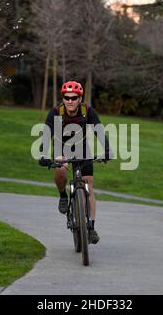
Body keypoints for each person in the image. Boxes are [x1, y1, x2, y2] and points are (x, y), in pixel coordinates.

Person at [39, 80, 112, 244]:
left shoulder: (88, 111)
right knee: (60, 171)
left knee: (89, 185)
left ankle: (91, 227)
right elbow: (46, 133)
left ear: (80, 99)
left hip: (82, 148)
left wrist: (107, 150)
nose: (70, 101)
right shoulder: (56, 112)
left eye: (74, 98)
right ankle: (63, 195)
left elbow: (99, 131)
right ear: (63, 98)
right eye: (67, 97)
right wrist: (43, 154)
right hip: (61, 147)